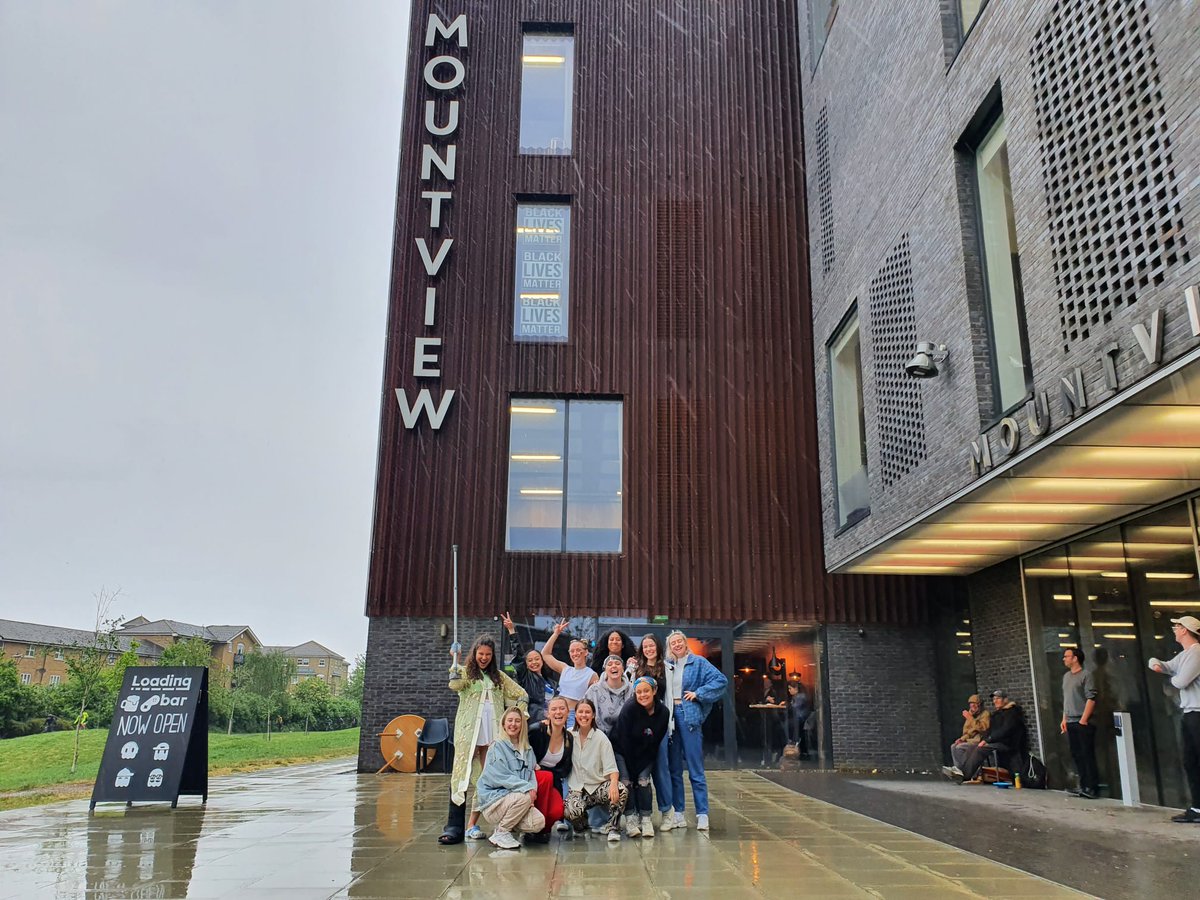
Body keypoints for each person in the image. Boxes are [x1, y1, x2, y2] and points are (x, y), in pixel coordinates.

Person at [438, 635, 528, 845]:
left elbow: (521, 694)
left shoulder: (499, 677)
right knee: (461, 775)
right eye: (481, 654)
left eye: (488, 654)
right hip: (469, 733)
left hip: (492, 733)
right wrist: (455, 660)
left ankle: (475, 824)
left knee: (488, 777)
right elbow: (455, 684)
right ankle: (454, 826)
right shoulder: (466, 673)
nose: (484, 658)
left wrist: (517, 716)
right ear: (475, 653)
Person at [664, 629, 728, 830]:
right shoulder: (668, 665)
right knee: (674, 769)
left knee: (695, 768)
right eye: (673, 643)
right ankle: (678, 814)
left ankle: (702, 814)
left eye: (679, 641)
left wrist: (699, 693)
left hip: (688, 715)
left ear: (685, 643)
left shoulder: (698, 662)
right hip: (670, 717)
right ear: (669, 647)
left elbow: (721, 681)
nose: (676, 645)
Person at [1148, 614, 1200, 823]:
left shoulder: (1196, 653)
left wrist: (1167, 675)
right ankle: (1197, 807)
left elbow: (1180, 681)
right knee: (1190, 761)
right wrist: (1155, 663)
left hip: (1198, 713)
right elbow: (1166, 665)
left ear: (1185, 630)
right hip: (1189, 713)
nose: (1174, 631)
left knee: (1196, 760)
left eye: (1176, 627)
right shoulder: (1185, 654)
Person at [476, 707, 545, 850]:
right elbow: (500, 776)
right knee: (524, 796)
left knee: (538, 822)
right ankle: (501, 832)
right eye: (510, 720)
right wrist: (526, 789)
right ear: (503, 724)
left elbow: (531, 774)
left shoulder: (528, 749)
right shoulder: (497, 747)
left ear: (522, 725)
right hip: (494, 802)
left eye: (517, 721)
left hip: (517, 800)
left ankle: (509, 825)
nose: (513, 724)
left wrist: (532, 793)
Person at [612, 676, 670, 838]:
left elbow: (656, 741)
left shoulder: (663, 712)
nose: (643, 695)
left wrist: (641, 768)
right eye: (639, 692)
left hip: (646, 753)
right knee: (626, 782)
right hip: (623, 751)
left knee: (643, 781)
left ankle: (646, 818)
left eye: (646, 691)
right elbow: (624, 740)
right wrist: (632, 770)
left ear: (654, 691)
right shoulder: (629, 709)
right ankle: (631, 818)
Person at [563, 699, 627, 842]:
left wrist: (614, 784)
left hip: (597, 788)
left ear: (593, 715)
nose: (584, 715)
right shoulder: (568, 735)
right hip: (577, 790)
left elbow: (612, 768)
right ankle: (581, 825)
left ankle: (613, 827)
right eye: (580, 712)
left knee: (621, 789)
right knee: (571, 811)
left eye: (587, 712)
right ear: (575, 714)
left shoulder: (601, 738)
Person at [633, 633, 676, 828]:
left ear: (658, 647)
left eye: (651, 645)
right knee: (639, 769)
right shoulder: (635, 669)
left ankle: (667, 811)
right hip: (639, 724)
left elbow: (671, 696)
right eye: (645, 646)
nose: (649, 649)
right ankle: (641, 814)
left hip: (660, 722)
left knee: (661, 768)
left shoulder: (668, 668)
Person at [526, 696, 573, 843]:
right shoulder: (537, 730)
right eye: (554, 709)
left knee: (557, 810)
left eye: (562, 709)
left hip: (552, 781)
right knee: (546, 776)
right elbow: (523, 752)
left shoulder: (569, 738)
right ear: (547, 713)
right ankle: (531, 827)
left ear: (568, 712)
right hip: (531, 779)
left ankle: (544, 828)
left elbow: (564, 768)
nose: (558, 712)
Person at [957, 689, 1026, 783]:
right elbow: (989, 730)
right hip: (996, 741)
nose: (995, 701)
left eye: (998, 698)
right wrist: (985, 739)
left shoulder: (1011, 712)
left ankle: (965, 775)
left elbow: (1005, 730)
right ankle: (960, 772)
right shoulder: (997, 714)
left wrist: (988, 740)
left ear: (1005, 700)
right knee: (971, 747)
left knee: (980, 749)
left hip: (1007, 743)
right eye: (994, 699)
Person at [540, 619, 599, 724]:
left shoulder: (591, 675)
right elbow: (545, 654)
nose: (575, 653)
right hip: (558, 713)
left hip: (574, 715)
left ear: (586, 652)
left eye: (578, 650)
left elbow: (594, 699)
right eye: (572, 651)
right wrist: (556, 634)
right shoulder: (565, 669)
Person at [501, 612, 555, 722]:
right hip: (533, 720)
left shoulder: (550, 681)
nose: (534, 662)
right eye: (530, 660)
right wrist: (511, 630)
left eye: (537, 659)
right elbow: (518, 655)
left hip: (550, 720)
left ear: (542, 661)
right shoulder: (525, 677)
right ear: (526, 664)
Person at [1061, 647, 1099, 799]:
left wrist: (1083, 719)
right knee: (1076, 754)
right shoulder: (1066, 677)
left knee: (1087, 755)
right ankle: (1082, 786)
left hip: (1083, 721)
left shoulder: (1086, 675)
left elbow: (1091, 698)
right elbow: (1066, 699)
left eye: (1067, 656)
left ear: (1075, 658)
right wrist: (1064, 718)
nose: (1064, 659)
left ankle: (1092, 787)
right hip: (1070, 720)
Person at [941, 694, 989, 782]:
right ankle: (958, 771)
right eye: (971, 704)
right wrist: (962, 739)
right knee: (954, 746)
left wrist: (970, 718)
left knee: (960, 748)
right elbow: (968, 732)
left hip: (980, 740)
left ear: (979, 705)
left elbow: (983, 728)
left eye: (975, 704)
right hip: (970, 740)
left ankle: (962, 771)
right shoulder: (971, 715)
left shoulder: (985, 714)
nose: (972, 706)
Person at [787, 679, 812, 758]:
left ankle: (794, 746)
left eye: (790, 688)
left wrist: (787, 705)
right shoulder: (798, 696)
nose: (789, 690)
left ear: (796, 689)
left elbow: (794, 707)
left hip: (800, 719)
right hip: (800, 719)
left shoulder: (800, 697)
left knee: (787, 726)